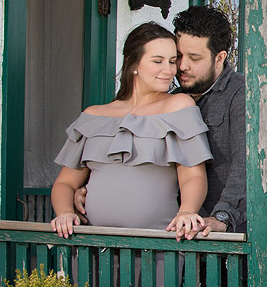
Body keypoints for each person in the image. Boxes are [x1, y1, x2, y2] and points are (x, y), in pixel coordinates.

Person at [50, 22, 212, 239]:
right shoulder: (94, 116)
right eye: (158, 61)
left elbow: (193, 175)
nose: (169, 70)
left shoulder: (179, 107)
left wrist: (187, 211)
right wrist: (65, 213)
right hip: (94, 246)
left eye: (172, 61)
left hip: (158, 246)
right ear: (133, 63)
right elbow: (64, 183)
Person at [171, 5, 246, 236]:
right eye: (179, 55)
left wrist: (221, 217)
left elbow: (246, 164)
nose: (183, 66)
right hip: (172, 230)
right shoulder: (169, 99)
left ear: (220, 57)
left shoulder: (242, 93)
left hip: (222, 235)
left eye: (194, 58)